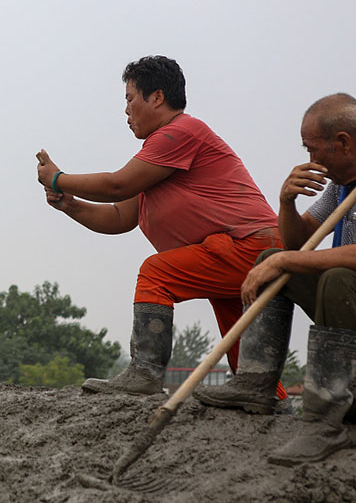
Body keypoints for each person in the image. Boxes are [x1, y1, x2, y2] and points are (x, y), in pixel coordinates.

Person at [37, 55, 285, 399]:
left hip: (251, 246)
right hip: (238, 251)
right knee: (239, 337)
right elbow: (120, 217)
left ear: (156, 97)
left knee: (156, 274)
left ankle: (144, 373)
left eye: (129, 99)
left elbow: (116, 185)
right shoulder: (157, 156)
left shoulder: (181, 132)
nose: (125, 110)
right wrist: (70, 204)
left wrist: (59, 179)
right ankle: (269, 397)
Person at [195, 93, 356, 465]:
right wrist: (286, 203)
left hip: (345, 291)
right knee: (272, 261)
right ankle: (255, 383)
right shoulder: (340, 185)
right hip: (347, 306)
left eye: (315, 151)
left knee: (334, 277)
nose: (311, 161)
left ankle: (327, 424)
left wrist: (290, 258)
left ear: (344, 142)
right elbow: (299, 243)